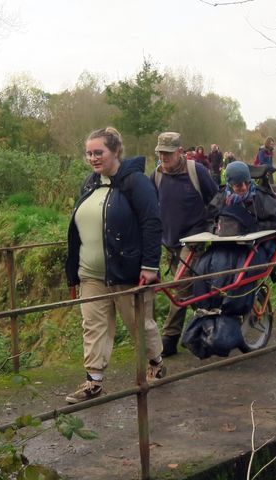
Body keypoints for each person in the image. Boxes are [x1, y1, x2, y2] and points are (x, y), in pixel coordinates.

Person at [64, 127, 165, 404]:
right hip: (91, 273)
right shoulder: (90, 183)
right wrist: (73, 271)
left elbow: (151, 223)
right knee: (93, 326)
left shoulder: (136, 182)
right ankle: (93, 382)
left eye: (99, 152)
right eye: (89, 154)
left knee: (138, 324)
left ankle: (156, 363)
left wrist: (150, 265)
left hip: (127, 270)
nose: (93, 158)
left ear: (116, 151)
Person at [151, 132, 218, 357]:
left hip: (195, 239)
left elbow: (215, 199)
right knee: (188, 291)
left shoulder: (196, 171)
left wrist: (211, 229)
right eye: (160, 153)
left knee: (180, 287)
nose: (164, 157)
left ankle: (168, 339)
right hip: (169, 242)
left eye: (168, 153)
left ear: (180, 152)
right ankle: (210, 322)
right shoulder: (157, 176)